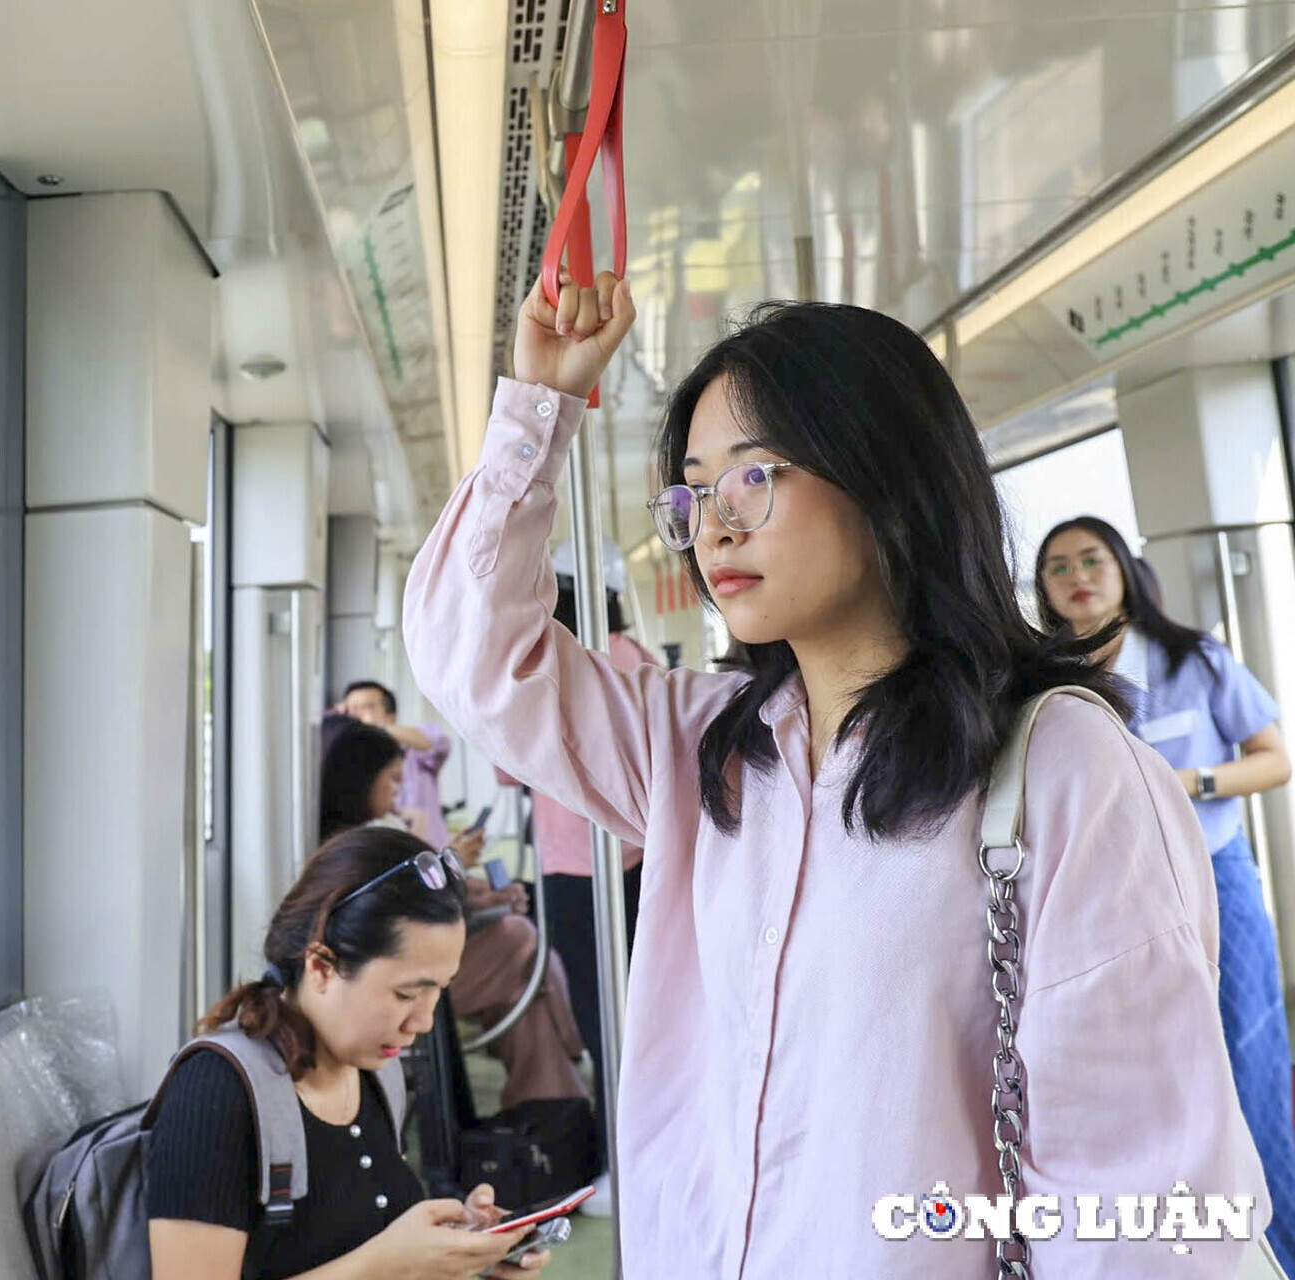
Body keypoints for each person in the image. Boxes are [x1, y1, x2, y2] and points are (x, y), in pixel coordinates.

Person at [402, 267, 1267, 1276]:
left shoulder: (1063, 769)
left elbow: (1144, 1195)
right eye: (694, 489)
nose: (713, 524)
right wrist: (537, 408)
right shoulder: (704, 747)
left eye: (753, 476)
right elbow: (471, 652)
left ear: (883, 470)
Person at [1037, 513, 1295, 1271]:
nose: (1078, 575)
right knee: (1151, 1084)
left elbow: (1274, 759)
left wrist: (1189, 783)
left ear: (1123, 569)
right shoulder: (1050, 684)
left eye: (1092, 559)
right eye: (1058, 567)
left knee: (1248, 1063)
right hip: (1111, 899)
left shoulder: (1194, 658)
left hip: (1216, 877)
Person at [146, 825, 549, 1280]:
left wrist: (456, 1251)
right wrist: (391, 1264)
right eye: (405, 994)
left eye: (439, 990)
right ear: (321, 966)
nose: (423, 1022)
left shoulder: (374, 1073)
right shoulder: (213, 1093)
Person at [492, 547, 656, 1217]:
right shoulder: (636, 655)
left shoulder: (540, 665)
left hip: (571, 866)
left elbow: (508, 769)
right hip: (643, 858)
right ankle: (651, 1151)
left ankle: (626, 1163)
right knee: (649, 1009)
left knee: (599, 1017)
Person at [320, 723, 586, 1110]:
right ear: (360, 781)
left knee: (527, 1001)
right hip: (405, 966)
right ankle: (572, 1045)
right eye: (391, 781)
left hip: (423, 951)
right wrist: (456, 867)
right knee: (519, 939)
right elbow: (403, 904)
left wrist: (481, 893)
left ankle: (551, 1103)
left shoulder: (388, 829)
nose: (398, 792)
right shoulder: (357, 846)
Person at [338, 681, 455, 854]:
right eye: (352, 708)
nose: (358, 715)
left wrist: (373, 728)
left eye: (367, 707)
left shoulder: (412, 749)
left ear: (391, 716)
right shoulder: (347, 762)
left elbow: (434, 744)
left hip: (432, 852)